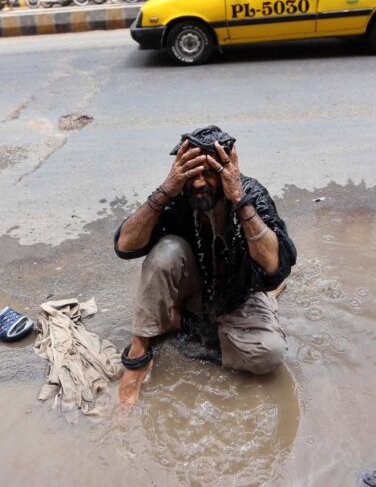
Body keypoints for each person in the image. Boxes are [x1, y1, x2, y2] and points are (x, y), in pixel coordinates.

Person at [114, 126, 297, 406]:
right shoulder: (177, 196)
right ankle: (139, 353)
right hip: (193, 291)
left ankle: (180, 322)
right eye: (192, 174)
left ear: (226, 171)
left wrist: (238, 199)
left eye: (208, 173)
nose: (199, 183)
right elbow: (125, 245)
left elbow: (275, 266)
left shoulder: (250, 194)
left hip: (238, 296)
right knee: (166, 251)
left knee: (270, 354)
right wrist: (165, 190)